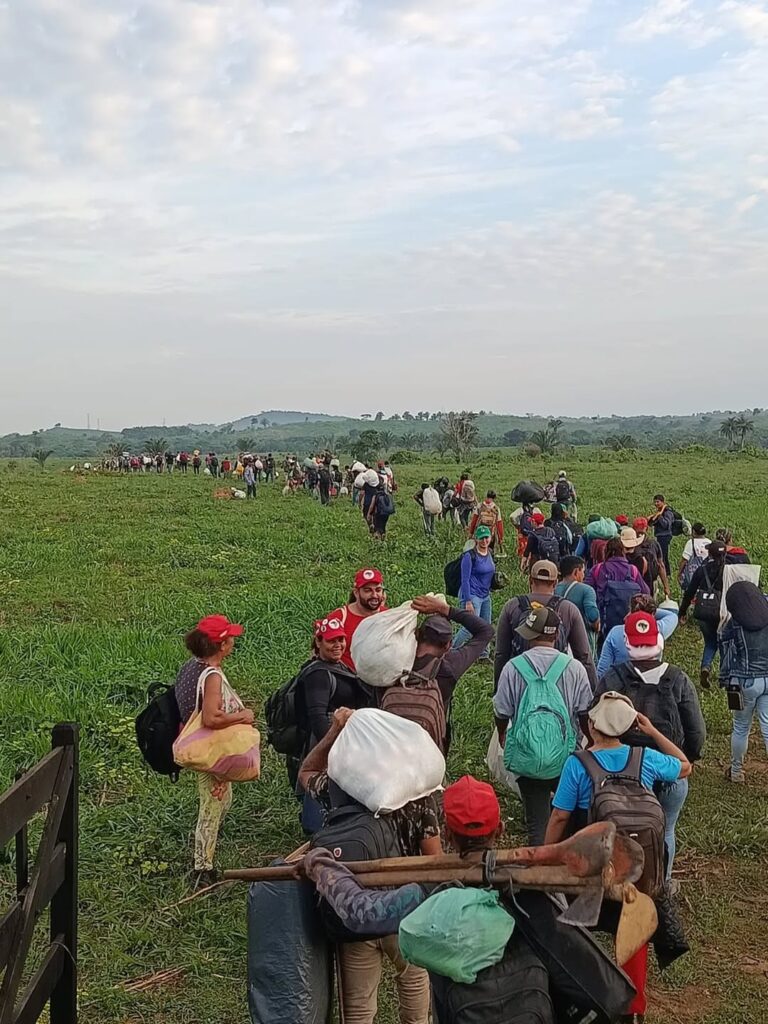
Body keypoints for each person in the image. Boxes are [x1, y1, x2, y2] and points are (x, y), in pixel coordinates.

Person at [545, 691, 691, 1022]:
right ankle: (633, 1007)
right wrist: (651, 730)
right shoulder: (645, 758)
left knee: (576, 929)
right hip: (636, 867)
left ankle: (585, 996)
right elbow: (685, 766)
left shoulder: (578, 763)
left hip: (590, 867)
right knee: (633, 932)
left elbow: (559, 817)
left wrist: (548, 855)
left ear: (592, 724)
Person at [298, 710, 439, 1024]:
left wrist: (335, 729)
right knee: (414, 989)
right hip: (406, 911)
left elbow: (306, 770)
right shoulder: (417, 797)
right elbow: (433, 857)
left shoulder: (340, 790)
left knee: (359, 1010)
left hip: (354, 910)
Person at [597, 612, 706, 878]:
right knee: (666, 828)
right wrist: (684, 760)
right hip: (669, 771)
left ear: (627, 643)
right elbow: (697, 732)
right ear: (659, 640)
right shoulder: (678, 679)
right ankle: (662, 884)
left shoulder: (613, 678)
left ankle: (622, 881)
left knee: (620, 829)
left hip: (620, 772)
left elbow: (594, 720)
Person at [494, 605, 592, 845]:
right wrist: (586, 744)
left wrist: (502, 735)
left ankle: (537, 873)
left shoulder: (513, 667)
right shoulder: (575, 668)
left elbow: (502, 711)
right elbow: (584, 713)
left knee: (537, 823)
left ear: (528, 634)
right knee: (567, 816)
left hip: (528, 757)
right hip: (566, 756)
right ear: (556, 635)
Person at [173, 614, 255, 888]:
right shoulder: (212, 677)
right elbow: (211, 718)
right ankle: (202, 867)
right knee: (212, 803)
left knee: (223, 798)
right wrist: (242, 716)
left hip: (195, 741)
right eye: (230, 637)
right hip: (210, 749)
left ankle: (213, 835)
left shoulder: (190, 667)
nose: (233, 641)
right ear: (222, 645)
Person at [294, 618, 374, 831]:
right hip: (325, 741)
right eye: (331, 641)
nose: (338, 645)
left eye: (341, 639)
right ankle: (318, 829)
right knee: (321, 784)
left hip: (338, 737)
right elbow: (318, 717)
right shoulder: (319, 674)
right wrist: (333, 745)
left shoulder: (336, 665)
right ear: (318, 642)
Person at [494, 561, 598, 691]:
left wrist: (498, 689)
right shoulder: (568, 609)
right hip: (558, 684)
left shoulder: (512, 606)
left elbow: (501, 654)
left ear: (530, 580)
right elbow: (584, 656)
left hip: (521, 681)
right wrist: (594, 693)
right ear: (555, 583)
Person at [410, 594, 495, 750]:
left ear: (417, 635)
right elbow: (486, 630)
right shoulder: (451, 665)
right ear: (448, 645)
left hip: (392, 736)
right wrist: (445, 609)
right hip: (431, 740)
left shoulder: (398, 659)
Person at [719, 581, 768, 783]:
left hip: (745, 682)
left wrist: (724, 680)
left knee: (741, 727)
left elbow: (727, 657)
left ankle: (737, 772)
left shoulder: (733, 625)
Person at [679, 538, 728, 688]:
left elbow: (690, 592)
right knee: (724, 644)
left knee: (710, 642)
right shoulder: (729, 570)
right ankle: (723, 677)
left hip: (704, 610)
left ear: (710, 554)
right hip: (723, 612)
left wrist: (682, 611)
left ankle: (705, 667)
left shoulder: (702, 569)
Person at [597, 595, 679, 678]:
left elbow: (602, 670)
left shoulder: (615, 632)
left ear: (630, 610)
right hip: (653, 684)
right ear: (653, 613)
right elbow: (673, 616)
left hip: (621, 685)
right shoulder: (658, 629)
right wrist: (648, 612)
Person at [586, 536, 650, 638]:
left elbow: (587, 592)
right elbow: (646, 592)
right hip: (629, 620)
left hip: (604, 621)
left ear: (606, 551)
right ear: (623, 551)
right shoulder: (633, 570)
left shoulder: (597, 569)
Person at [326, 569, 387, 671]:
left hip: (380, 679)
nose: (374, 595)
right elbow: (320, 649)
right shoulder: (339, 618)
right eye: (368, 590)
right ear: (356, 593)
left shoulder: (388, 616)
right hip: (346, 678)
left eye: (378, 590)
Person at [453, 526, 495, 657]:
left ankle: (483, 654)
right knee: (469, 627)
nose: (484, 541)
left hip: (485, 595)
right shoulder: (469, 556)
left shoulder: (490, 553)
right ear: (476, 539)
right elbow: (464, 580)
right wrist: (468, 601)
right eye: (481, 538)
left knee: (486, 626)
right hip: (472, 595)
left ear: (490, 538)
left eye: (486, 537)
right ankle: (451, 650)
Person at [555, 555, 600, 657]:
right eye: (583, 571)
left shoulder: (554, 589)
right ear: (576, 572)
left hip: (558, 639)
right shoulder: (586, 590)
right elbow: (593, 616)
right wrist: (597, 626)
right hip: (582, 639)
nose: (583, 575)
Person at [632, 518, 671, 599]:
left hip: (640, 582)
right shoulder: (653, 544)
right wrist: (666, 586)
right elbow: (661, 565)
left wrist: (666, 586)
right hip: (639, 583)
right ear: (647, 528)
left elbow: (660, 565)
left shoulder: (631, 545)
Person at [648, 495, 675, 575]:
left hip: (665, 536)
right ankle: (666, 573)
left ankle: (666, 573)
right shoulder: (659, 512)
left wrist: (659, 516)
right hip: (660, 536)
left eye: (658, 502)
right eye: (655, 502)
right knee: (662, 555)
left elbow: (666, 525)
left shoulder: (668, 512)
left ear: (663, 502)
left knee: (663, 555)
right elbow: (652, 523)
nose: (656, 504)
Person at [679, 522, 710, 588]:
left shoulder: (691, 543)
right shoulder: (709, 542)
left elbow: (684, 560)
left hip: (694, 575)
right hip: (707, 575)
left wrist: (679, 573)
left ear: (694, 532)